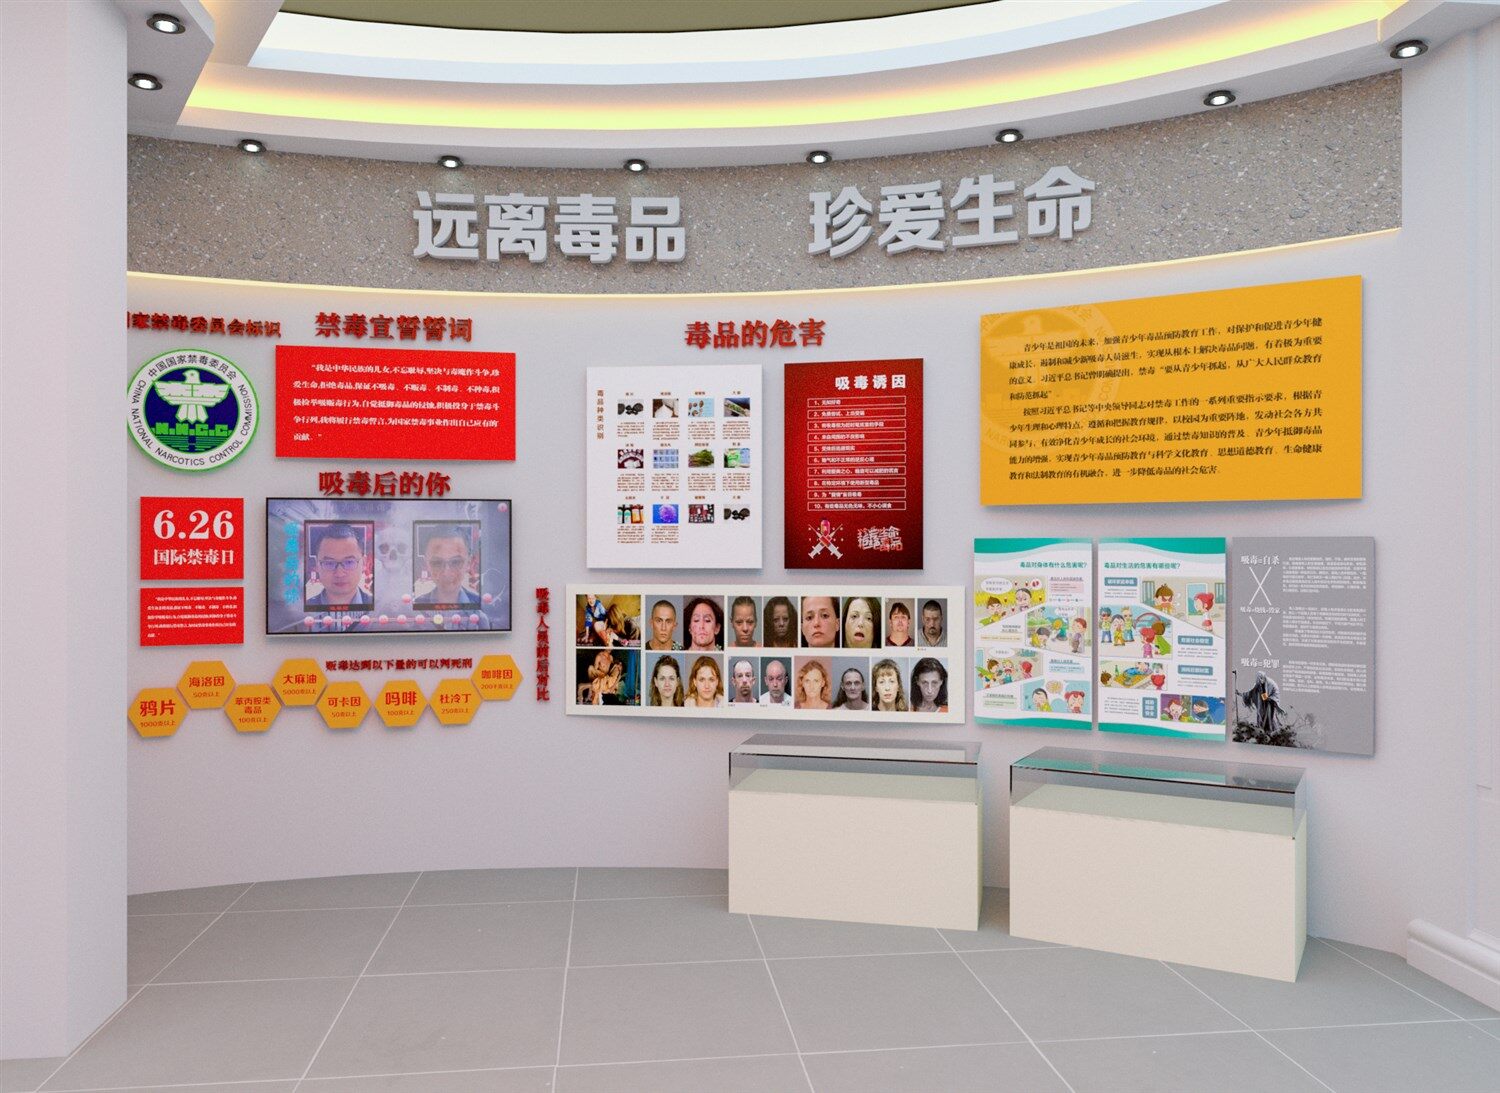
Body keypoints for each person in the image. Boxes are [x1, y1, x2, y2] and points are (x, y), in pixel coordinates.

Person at [306, 523, 372, 609]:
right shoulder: (299, 613)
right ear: (316, 565)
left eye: (349, 562)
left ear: (364, 563)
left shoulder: (380, 608)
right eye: (329, 563)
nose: (339, 574)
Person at [414, 525, 479, 608]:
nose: (446, 572)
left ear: (468, 563)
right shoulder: (416, 605)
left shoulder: (481, 606)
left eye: (455, 562)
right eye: (437, 563)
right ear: (426, 564)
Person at [1238, 671, 1286, 737]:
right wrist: (1240, 694)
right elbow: (1251, 693)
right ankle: (1262, 733)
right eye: (1259, 678)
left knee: (1270, 719)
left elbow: (1267, 697)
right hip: (1262, 705)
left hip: (1270, 703)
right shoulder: (1258, 684)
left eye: (1261, 678)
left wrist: (1268, 697)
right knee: (1261, 717)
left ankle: (1272, 733)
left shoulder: (1270, 683)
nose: (1260, 680)